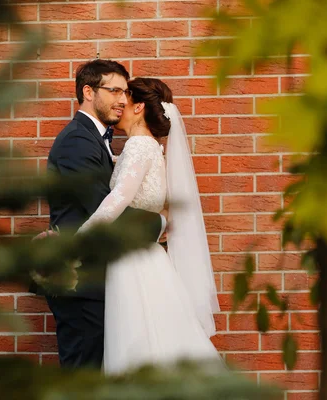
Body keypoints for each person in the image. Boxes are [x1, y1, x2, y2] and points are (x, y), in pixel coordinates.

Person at [76, 78, 222, 374]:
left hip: (133, 263)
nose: (118, 105)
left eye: (124, 98)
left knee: (137, 339)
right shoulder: (153, 148)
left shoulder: (139, 146)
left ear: (139, 106)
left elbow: (118, 198)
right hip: (150, 258)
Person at [44, 60, 166, 369]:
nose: (123, 100)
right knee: (83, 377)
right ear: (88, 91)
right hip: (80, 283)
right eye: (114, 91)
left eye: (125, 92)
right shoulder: (77, 142)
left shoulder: (97, 141)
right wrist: (161, 223)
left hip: (96, 282)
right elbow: (103, 208)